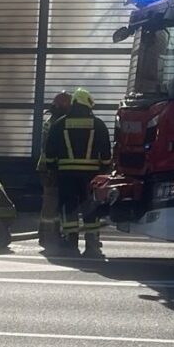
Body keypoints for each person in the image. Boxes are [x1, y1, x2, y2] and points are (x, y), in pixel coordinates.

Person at [44, 87, 112, 259]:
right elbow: (105, 152)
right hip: (91, 176)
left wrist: (51, 170)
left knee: (69, 208)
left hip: (66, 174)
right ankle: (91, 245)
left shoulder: (60, 123)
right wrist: (105, 170)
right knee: (91, 208)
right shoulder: (98, 124)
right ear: (87, 104)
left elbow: (50, 151)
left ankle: (70, 242)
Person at [36, 91, 72, 251]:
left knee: (51, 203)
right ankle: (48, 236)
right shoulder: (56, 123)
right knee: (51, 204)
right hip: (51, 168)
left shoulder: (51, 121)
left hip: (48, 167)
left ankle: (47, 235)